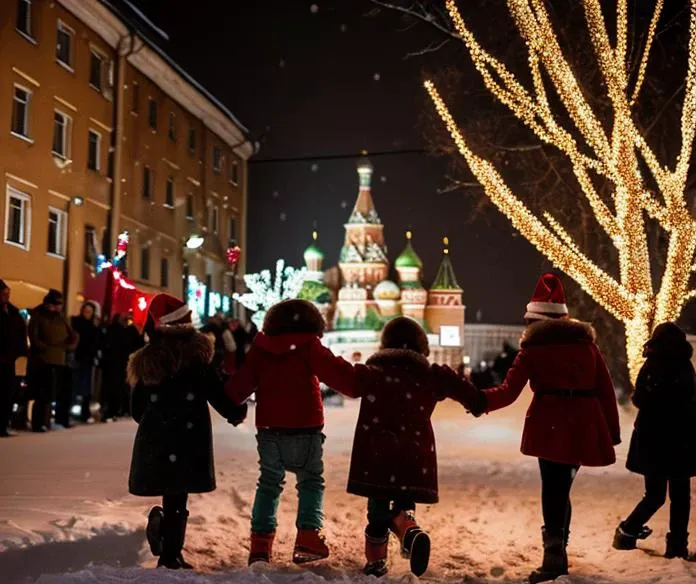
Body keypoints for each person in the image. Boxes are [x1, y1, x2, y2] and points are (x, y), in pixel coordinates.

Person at [467, 273, 621, 584]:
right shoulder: (587, 347)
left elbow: (509, 391)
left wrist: (480, 401)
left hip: (549, 423)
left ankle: (554, 556)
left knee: (553, 487)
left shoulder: (532, 350)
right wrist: (610, 432)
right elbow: (605, 390)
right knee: (561, 487)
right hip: (582, 422)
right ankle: (558, 548)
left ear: (534, 319)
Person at [225, 299, 358, 566]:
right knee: (310, 482)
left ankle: (260, 545)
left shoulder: (261, 349)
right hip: (305, 427)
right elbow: (339, 375)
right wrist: (362, 382)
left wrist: (227, 395)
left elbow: (238, 388)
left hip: (269, 429)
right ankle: (308, 537)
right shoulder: (309, 346)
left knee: (269, 484)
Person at [346, 317, 479, 577]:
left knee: (377, 509)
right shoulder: (428, 374)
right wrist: (480, 401)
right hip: (414, 452)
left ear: (385, 344)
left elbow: (345, 379)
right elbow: (464, 389)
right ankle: (409, 530)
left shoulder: (373, 372)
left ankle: (376, 561)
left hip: (378, 449)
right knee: (404, 499)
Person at [127, 293, 247, 570]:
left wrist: (156, 418)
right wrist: (235, 412)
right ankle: (169, 552)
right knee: (177, 494)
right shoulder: (197, 355)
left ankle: (167, 545)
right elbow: (217, 393)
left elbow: (136, 409)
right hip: (189, 436)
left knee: (170, 490)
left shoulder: (147, 360)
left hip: (157, 436)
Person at [613, 322, 696, 560]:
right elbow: (691, 401)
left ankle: (627, 531)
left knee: (654, 494)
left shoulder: (651, 365)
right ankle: (677, 545)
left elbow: (640, 398)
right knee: (680, 496)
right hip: (681, 440)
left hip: (653, 440)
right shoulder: (684, 366)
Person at [28, 290, 78, 431]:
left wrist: (68, 347)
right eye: (55, 304)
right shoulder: (38, 316)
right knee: (42, 394)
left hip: (59, 359)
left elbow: (73, 335)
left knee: (53, 393)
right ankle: (39, 423)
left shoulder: (61, 318)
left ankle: (48, 421)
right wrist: (45, 348)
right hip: (43, 361)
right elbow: (34, 337)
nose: (57, 307)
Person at [0, 280, 28, 436]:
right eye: (4, 293)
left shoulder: (13, 312)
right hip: (3, 356)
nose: (7, 295)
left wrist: (21, 351)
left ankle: (3, 425)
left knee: (7, 394)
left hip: (9, 359)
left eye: (7, 293)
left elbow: (20, 333)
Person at [99, 314, 132, 421]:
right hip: (119, 364)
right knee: (118, 388)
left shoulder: (109, 331)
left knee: (109, 388)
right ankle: (115, 410)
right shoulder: (124, 332)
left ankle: (108, 410)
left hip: (110, 364)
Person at [70, 302, 99, 422]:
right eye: (86, 311)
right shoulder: (76, 323)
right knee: (75, 386)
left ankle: (84, 413)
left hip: (88, 359)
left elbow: (96, 342)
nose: (87, 314)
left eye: (90, 312)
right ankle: (73, 411)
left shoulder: (93, 327)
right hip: (77, 358)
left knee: (86, 388)